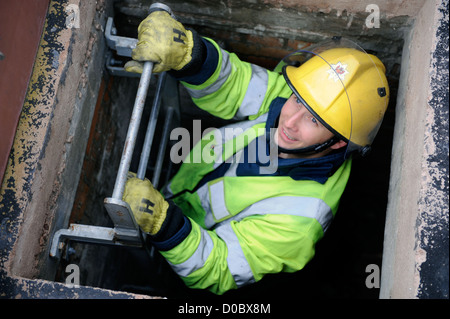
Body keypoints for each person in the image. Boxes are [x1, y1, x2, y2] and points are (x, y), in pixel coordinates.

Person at [122, 10, 389, 295]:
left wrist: (164, 224)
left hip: (182, 251)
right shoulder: (287, 98)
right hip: (177, 190)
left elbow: (217, 268)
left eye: (314, 120)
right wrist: (189, 54)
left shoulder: (299, 223)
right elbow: (235, 84)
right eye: (298, 100)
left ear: (337, 143)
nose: (290, 120)